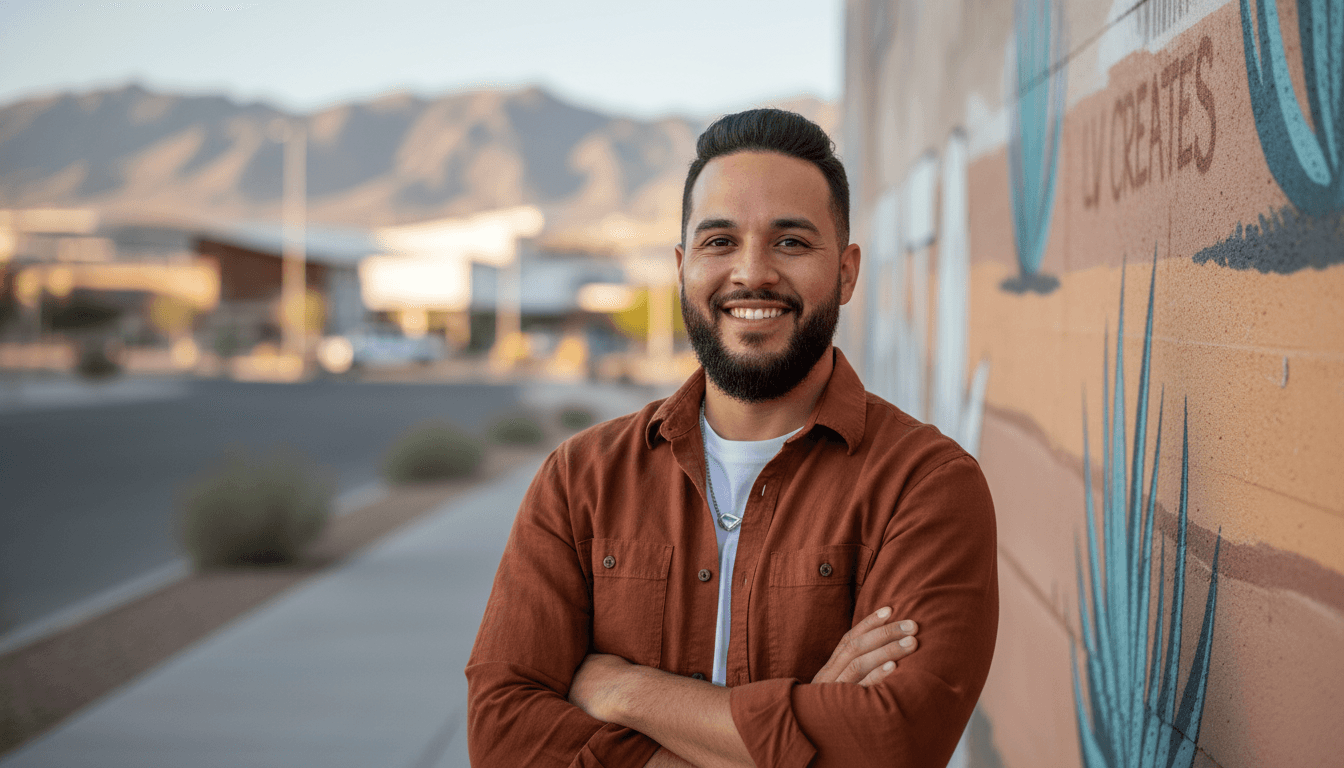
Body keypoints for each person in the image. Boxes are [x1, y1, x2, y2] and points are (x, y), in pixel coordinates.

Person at [466, 109, 997, 767]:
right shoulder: (581, 479)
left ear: (847, 272)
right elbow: (502, 735)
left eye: (791, 242)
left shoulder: (925, 486)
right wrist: (804, 729)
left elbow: (893, 745)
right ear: (682, 267)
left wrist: (629, 691)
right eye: (720, 241)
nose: (752, 273)